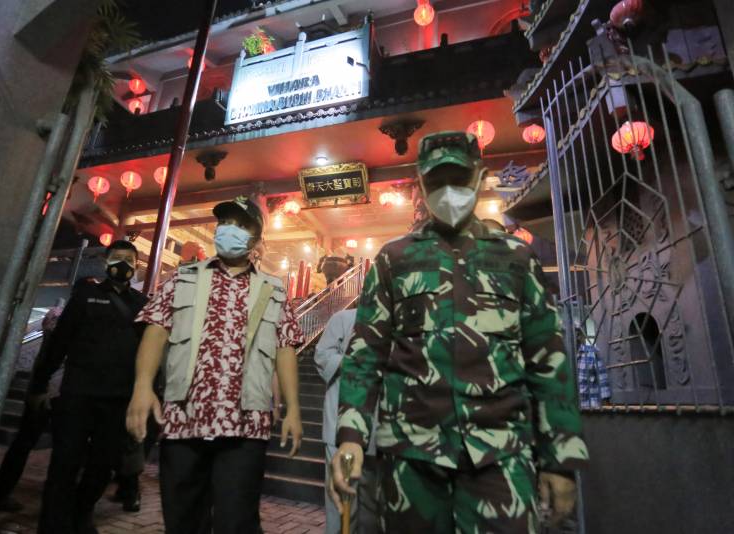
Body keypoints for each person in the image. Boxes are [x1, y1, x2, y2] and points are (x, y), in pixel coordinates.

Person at [329, 131, 589, 532]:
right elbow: (365, 356)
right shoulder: (394, 259)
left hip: (500, 456)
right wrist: (351, 437)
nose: (448, 191)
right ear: (420, 184)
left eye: (459, 178)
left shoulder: (516, 258)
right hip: (412, 458)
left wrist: (561, 459)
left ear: (480, 177)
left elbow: (548, 360)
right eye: (436, 181)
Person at [126, 195, 305, 534]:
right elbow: (156, 330)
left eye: (241, 224)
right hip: (184, 417)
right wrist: (142, 386)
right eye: (225, 222)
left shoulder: (274, 290)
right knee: (182, 521)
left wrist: (293, 408)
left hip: (246, 425)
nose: (230, 230)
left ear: (256, 237)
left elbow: (285, 348)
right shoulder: (181, 279)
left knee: (237, 523)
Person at [30, 240, 147, 534]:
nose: (123, 263)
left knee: (103, 465)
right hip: (78, 394)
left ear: (136, 266)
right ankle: (52, 525)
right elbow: (60, 341)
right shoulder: (85, 296)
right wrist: (40, 383)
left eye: (129, 259)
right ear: (106, 262)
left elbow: (148, 351)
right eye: (117, 257)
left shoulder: (141, 304)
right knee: (64, 463)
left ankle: (82, 515)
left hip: (118, 398)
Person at [0, 298, 65, 512]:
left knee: (24, 442)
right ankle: (50, 497)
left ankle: (2, 491)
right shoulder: (64, 319)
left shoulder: (54, 316)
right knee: (57, 446)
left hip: (45, 387)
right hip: (57, 390)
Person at [314, 309, 378, 534]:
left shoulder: (395, 319)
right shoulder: (342, 318)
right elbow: (321, 356)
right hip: (339, 426)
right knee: (340, 505)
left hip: (380, 428)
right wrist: (352, 362)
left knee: (374, 508)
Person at [576, 328, 611, 409]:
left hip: (591, 407)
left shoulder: (591, 352)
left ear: (579, 336)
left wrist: (606, 405)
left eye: (577, 334)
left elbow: (602, 379)